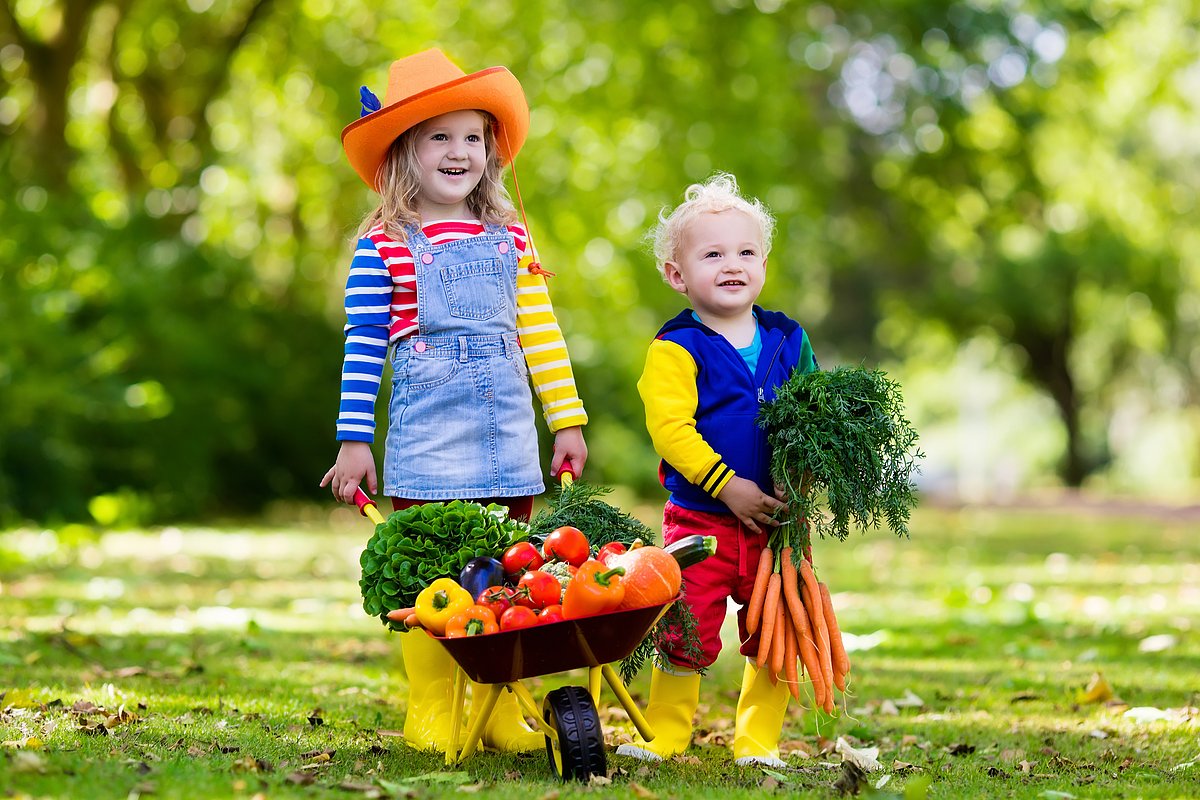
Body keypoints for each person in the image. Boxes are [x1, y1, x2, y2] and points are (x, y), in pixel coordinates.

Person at [320, 49, 589, 754]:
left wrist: (566, 419)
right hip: (427, 443)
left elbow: (540, 333)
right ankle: (432, 705)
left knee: (507, 581)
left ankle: (500, 707)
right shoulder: (384, 247)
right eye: (439, 136)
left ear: (491, 154)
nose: (459, 151)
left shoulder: (513, 240)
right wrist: (355, 440)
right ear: (403, 152)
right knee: (431, 582)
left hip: (507, 438)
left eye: (473, 137)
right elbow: (363, 345)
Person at [617, 173, 818, 767]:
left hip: (777, 526)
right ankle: (669, 733)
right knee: (683, 628)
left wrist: (798, 474)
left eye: (746, 252)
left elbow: (813, 414)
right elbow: (672, 431)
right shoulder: (676, 346)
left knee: (778, 631)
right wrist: (728, 486)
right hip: (700, 524)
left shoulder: (788, 337)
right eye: (713, 254)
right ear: (678, 276)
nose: (732, 264)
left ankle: (758, 743)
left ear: (763, 263)